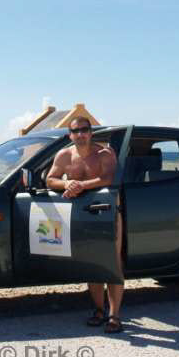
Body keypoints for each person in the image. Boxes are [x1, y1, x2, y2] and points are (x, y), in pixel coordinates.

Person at [45, 116, 124, 333]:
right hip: (81, 215)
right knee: (93, 264)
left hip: (107, 212)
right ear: (70, 134)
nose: (81, 134)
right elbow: (50, 180)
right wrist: (66, 183)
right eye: (76, 130)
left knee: (112, 264)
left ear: (90, 132)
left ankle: (114, 316)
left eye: (85, 129)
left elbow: (107, 178)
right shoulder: (64, 155)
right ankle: (99, 311)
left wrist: (80, 185)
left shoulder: (104, 153)